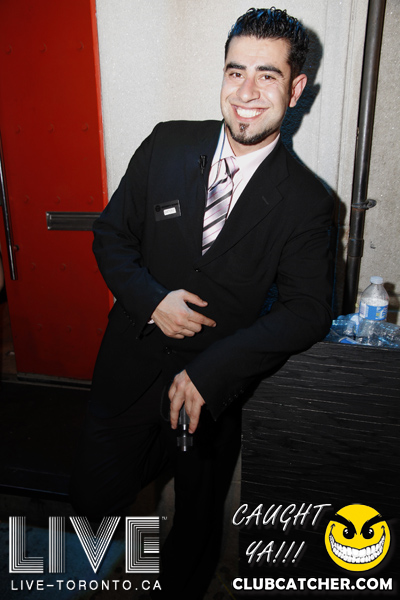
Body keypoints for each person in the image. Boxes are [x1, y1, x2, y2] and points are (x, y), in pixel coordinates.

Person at [70, 7, 333, 598]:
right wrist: (152, 300)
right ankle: (114, 578)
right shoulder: (167, 142)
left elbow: (308, 309)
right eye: (235, 72)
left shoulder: (307, 203)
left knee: (193, 524)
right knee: (94, 501)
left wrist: (213, 371)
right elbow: (111, 235)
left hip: (210, 393)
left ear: (296, 90)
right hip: (127, 369)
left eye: (267, 76)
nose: (246, 92)